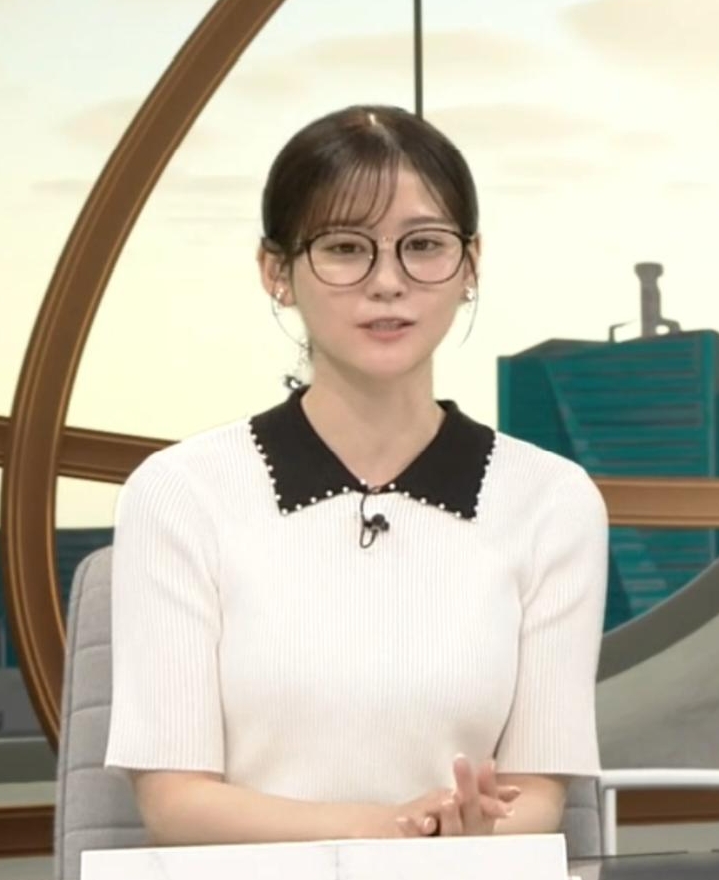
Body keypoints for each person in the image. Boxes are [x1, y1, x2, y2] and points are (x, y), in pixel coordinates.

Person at [104, 104, 608, 845]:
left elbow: (536, 797)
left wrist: (452, 842)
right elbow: (175, 804)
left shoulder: (552, 501)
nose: (387, 282)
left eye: (423, 246)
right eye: (345, 248)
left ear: (470, 265)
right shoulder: (179, 493)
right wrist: (398, 835)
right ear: (276, 271)